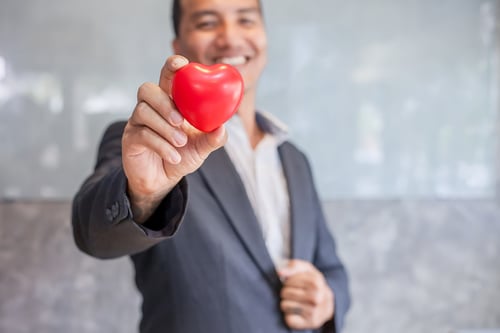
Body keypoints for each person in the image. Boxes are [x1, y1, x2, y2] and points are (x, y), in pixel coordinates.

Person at [72, 0, 351, 332]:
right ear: (179, 46)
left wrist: (327, 298)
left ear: (263, 35)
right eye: (207, 23)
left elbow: (332, 268)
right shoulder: (149, 143)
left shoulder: (294, 159)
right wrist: (144, 194)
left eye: (246, 20)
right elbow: (95, 237)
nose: (230, 37)